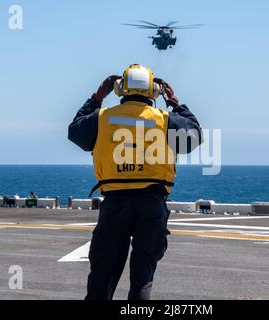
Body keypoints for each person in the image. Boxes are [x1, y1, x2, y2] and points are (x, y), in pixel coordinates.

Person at [68, 64, 202, 300]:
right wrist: (176, 104)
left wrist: (96, 98)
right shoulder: (165, 119)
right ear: (155, 92)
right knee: (142, 278)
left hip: (115, 204)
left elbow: (75, 132)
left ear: (120, 89)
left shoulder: (102, 118)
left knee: (102, 277)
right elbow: (194, 136)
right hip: (151, 203)